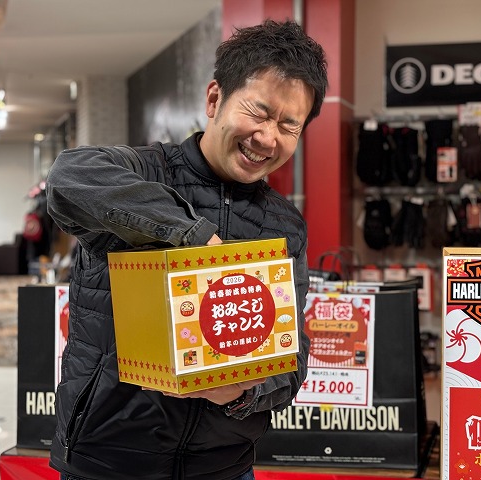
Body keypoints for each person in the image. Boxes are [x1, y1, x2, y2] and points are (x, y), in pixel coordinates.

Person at [45, 19, 328, 480]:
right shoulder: (142, 173)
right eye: (258, 112)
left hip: (224, 467)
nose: (267, 138)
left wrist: (244, 393)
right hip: (108, 463)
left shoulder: (284, 225)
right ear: (215, 99)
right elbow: (69, 177)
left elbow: (291, 357)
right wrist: (194, 238)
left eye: (288, 125)